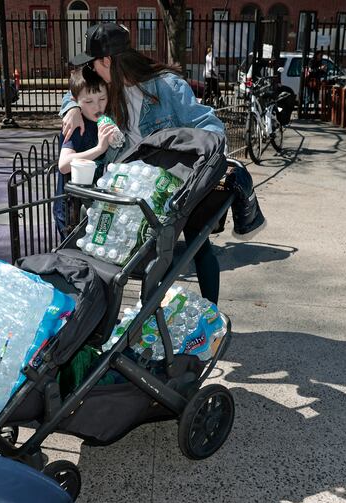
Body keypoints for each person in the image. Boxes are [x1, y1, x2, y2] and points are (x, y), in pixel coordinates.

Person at [60, 23, 226, 303]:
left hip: (176, 182)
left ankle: (212, 314)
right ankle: (150, 317)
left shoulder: (167, 86)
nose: (91, 70)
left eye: (94, 63)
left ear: (107, 61)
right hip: (133, 183)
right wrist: (73, 108)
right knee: (147, 254)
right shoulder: (107, 87)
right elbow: (78, 90)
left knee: (199, 246)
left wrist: (184, 151)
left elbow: (211, 127)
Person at [54, 68, 119, 237]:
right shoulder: (77, 125)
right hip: (71, 211)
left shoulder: (109, 118)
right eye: (88, 102)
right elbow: (64, 165)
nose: (97, 106)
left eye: (102, 99)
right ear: (75, 101)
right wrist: (99, 149)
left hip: (95, 205)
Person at [305, 50, 327, 115]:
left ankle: (316, 110)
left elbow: (321, 73)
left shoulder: (320, 62)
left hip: (317, 81)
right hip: (311, 81)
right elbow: (311, 70)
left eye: (321, 55)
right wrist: (320, 68)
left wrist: (324, 70)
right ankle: (306, 111)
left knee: (316, 97)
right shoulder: (312, 61)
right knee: (308, 97)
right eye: (320, 55)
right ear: (316, 55)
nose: (320, 57)